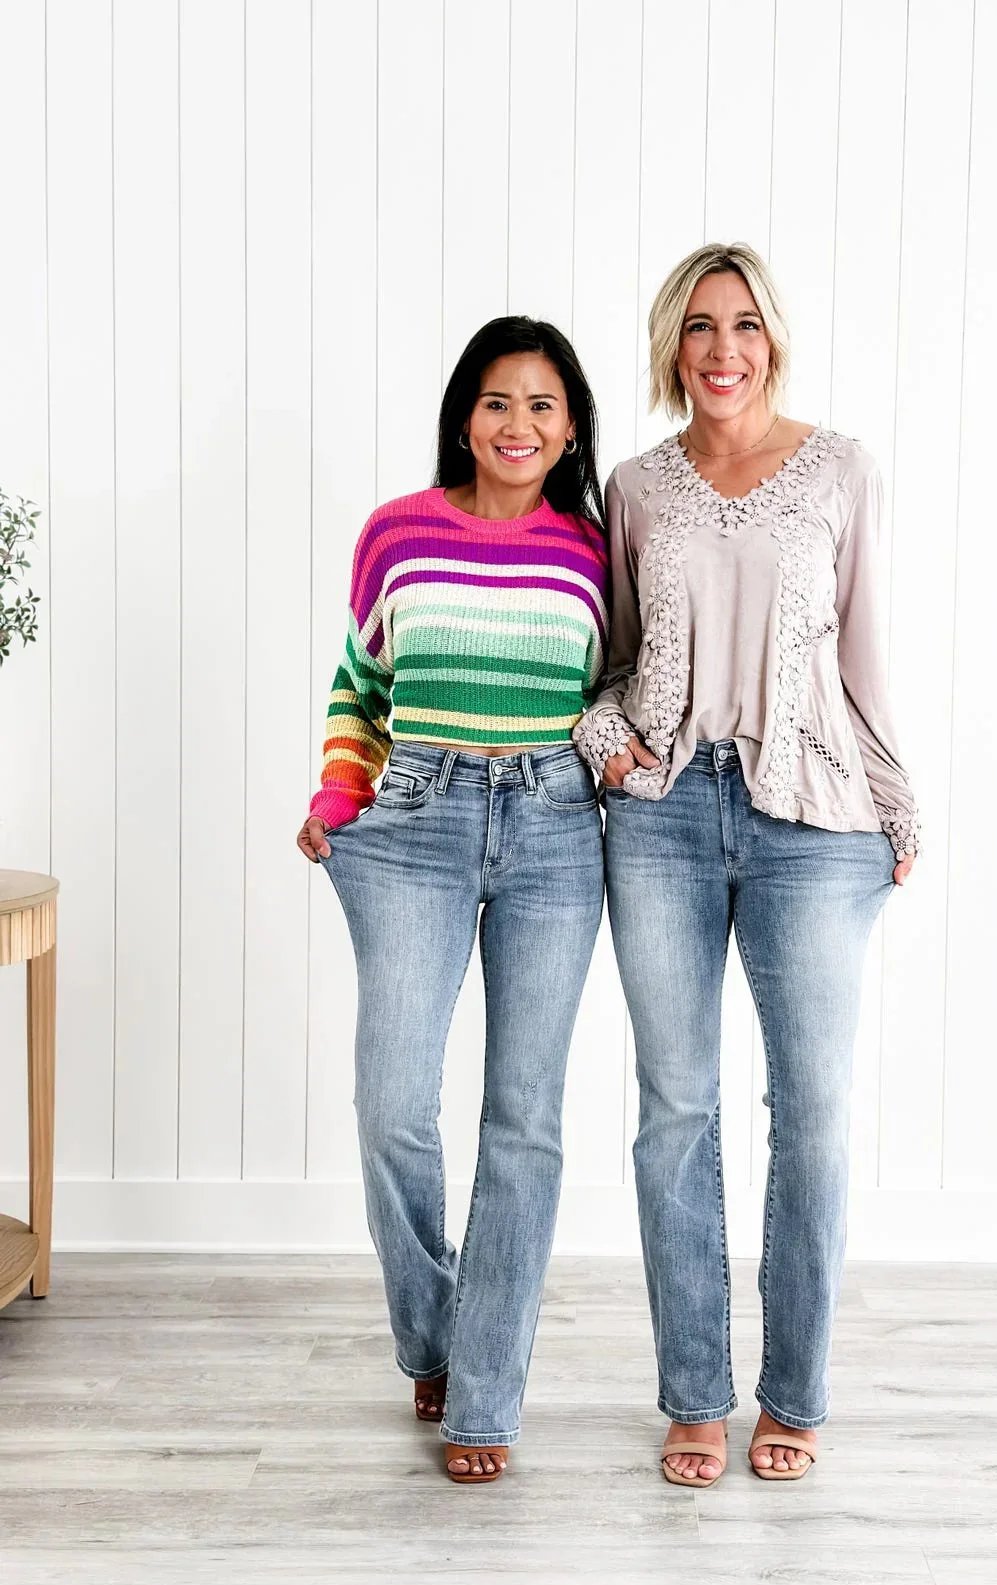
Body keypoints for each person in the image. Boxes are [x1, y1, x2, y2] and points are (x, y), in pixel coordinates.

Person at [572, 243, 919, 1487]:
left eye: (745, 326)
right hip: (662, 814)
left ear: (774, 339)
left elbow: (865, 650)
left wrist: (895, 804)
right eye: (701, 327)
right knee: (677, 1108)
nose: (725, 350)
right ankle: (693, 1393)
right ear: (673, 346)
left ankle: (795, 1392)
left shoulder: (841, 469)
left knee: (811, 1111)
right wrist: (604, 738)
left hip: (814, 820)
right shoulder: (635, 487)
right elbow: (609, 662)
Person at [298, 316, 608, 1483]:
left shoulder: (595, 552)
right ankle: (433, 1333)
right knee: (393, 1104)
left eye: (541, 404)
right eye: (496, 400)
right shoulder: (398, 533)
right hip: (415, 823)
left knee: (524, 1118)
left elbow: (619, 696)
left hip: (554, 827)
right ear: (464, 417)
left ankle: (484, 1388)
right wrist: (337, 793)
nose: (517, 423)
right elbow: (360, 682)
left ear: (570, 428)